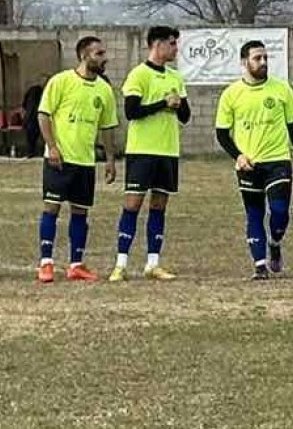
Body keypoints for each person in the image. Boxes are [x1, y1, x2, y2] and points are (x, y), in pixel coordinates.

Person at [215, 40, 293, 280]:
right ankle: (259, 265)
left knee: (279, 211)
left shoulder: (281, 89)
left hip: (278, 160)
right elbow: (222, 133)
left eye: (266, 58)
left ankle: (275, 242)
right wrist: (238, 156)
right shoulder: (231, 94)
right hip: (249, 164)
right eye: (258, 58)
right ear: (244, 62)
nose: (263, 62)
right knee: (254, 213)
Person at [35, 36, 119, 283]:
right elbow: (43, 115)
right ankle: (46, 263)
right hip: (59, 159)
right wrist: (52, 147)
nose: (105, 58)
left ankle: (76, 264)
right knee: (51, 208)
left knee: (81, 212)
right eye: (99, 54)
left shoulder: (104, 89)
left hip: (85, 161)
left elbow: (107, 127)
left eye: (104, 53)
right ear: (84, 55)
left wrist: (110, 160)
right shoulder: (61, 81)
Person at [110, 26, 190, 282]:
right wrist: (162, 104)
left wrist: (178, 106)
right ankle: (120, 264)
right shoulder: (138, 75)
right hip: (142, 151)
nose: (176, 49)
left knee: (159, 205)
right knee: (132, 204)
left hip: (167, 151)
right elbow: (132, 112)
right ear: (157, 44)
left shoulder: (175, 77)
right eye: (172, 44)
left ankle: (152, 263)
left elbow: (186, 117)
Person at [22, 79, 45, 157]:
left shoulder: (30, 93)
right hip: (39, 116)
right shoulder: (43, 93)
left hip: (29, 117)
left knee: (30, 137)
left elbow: (24, 105)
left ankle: (30, 152)